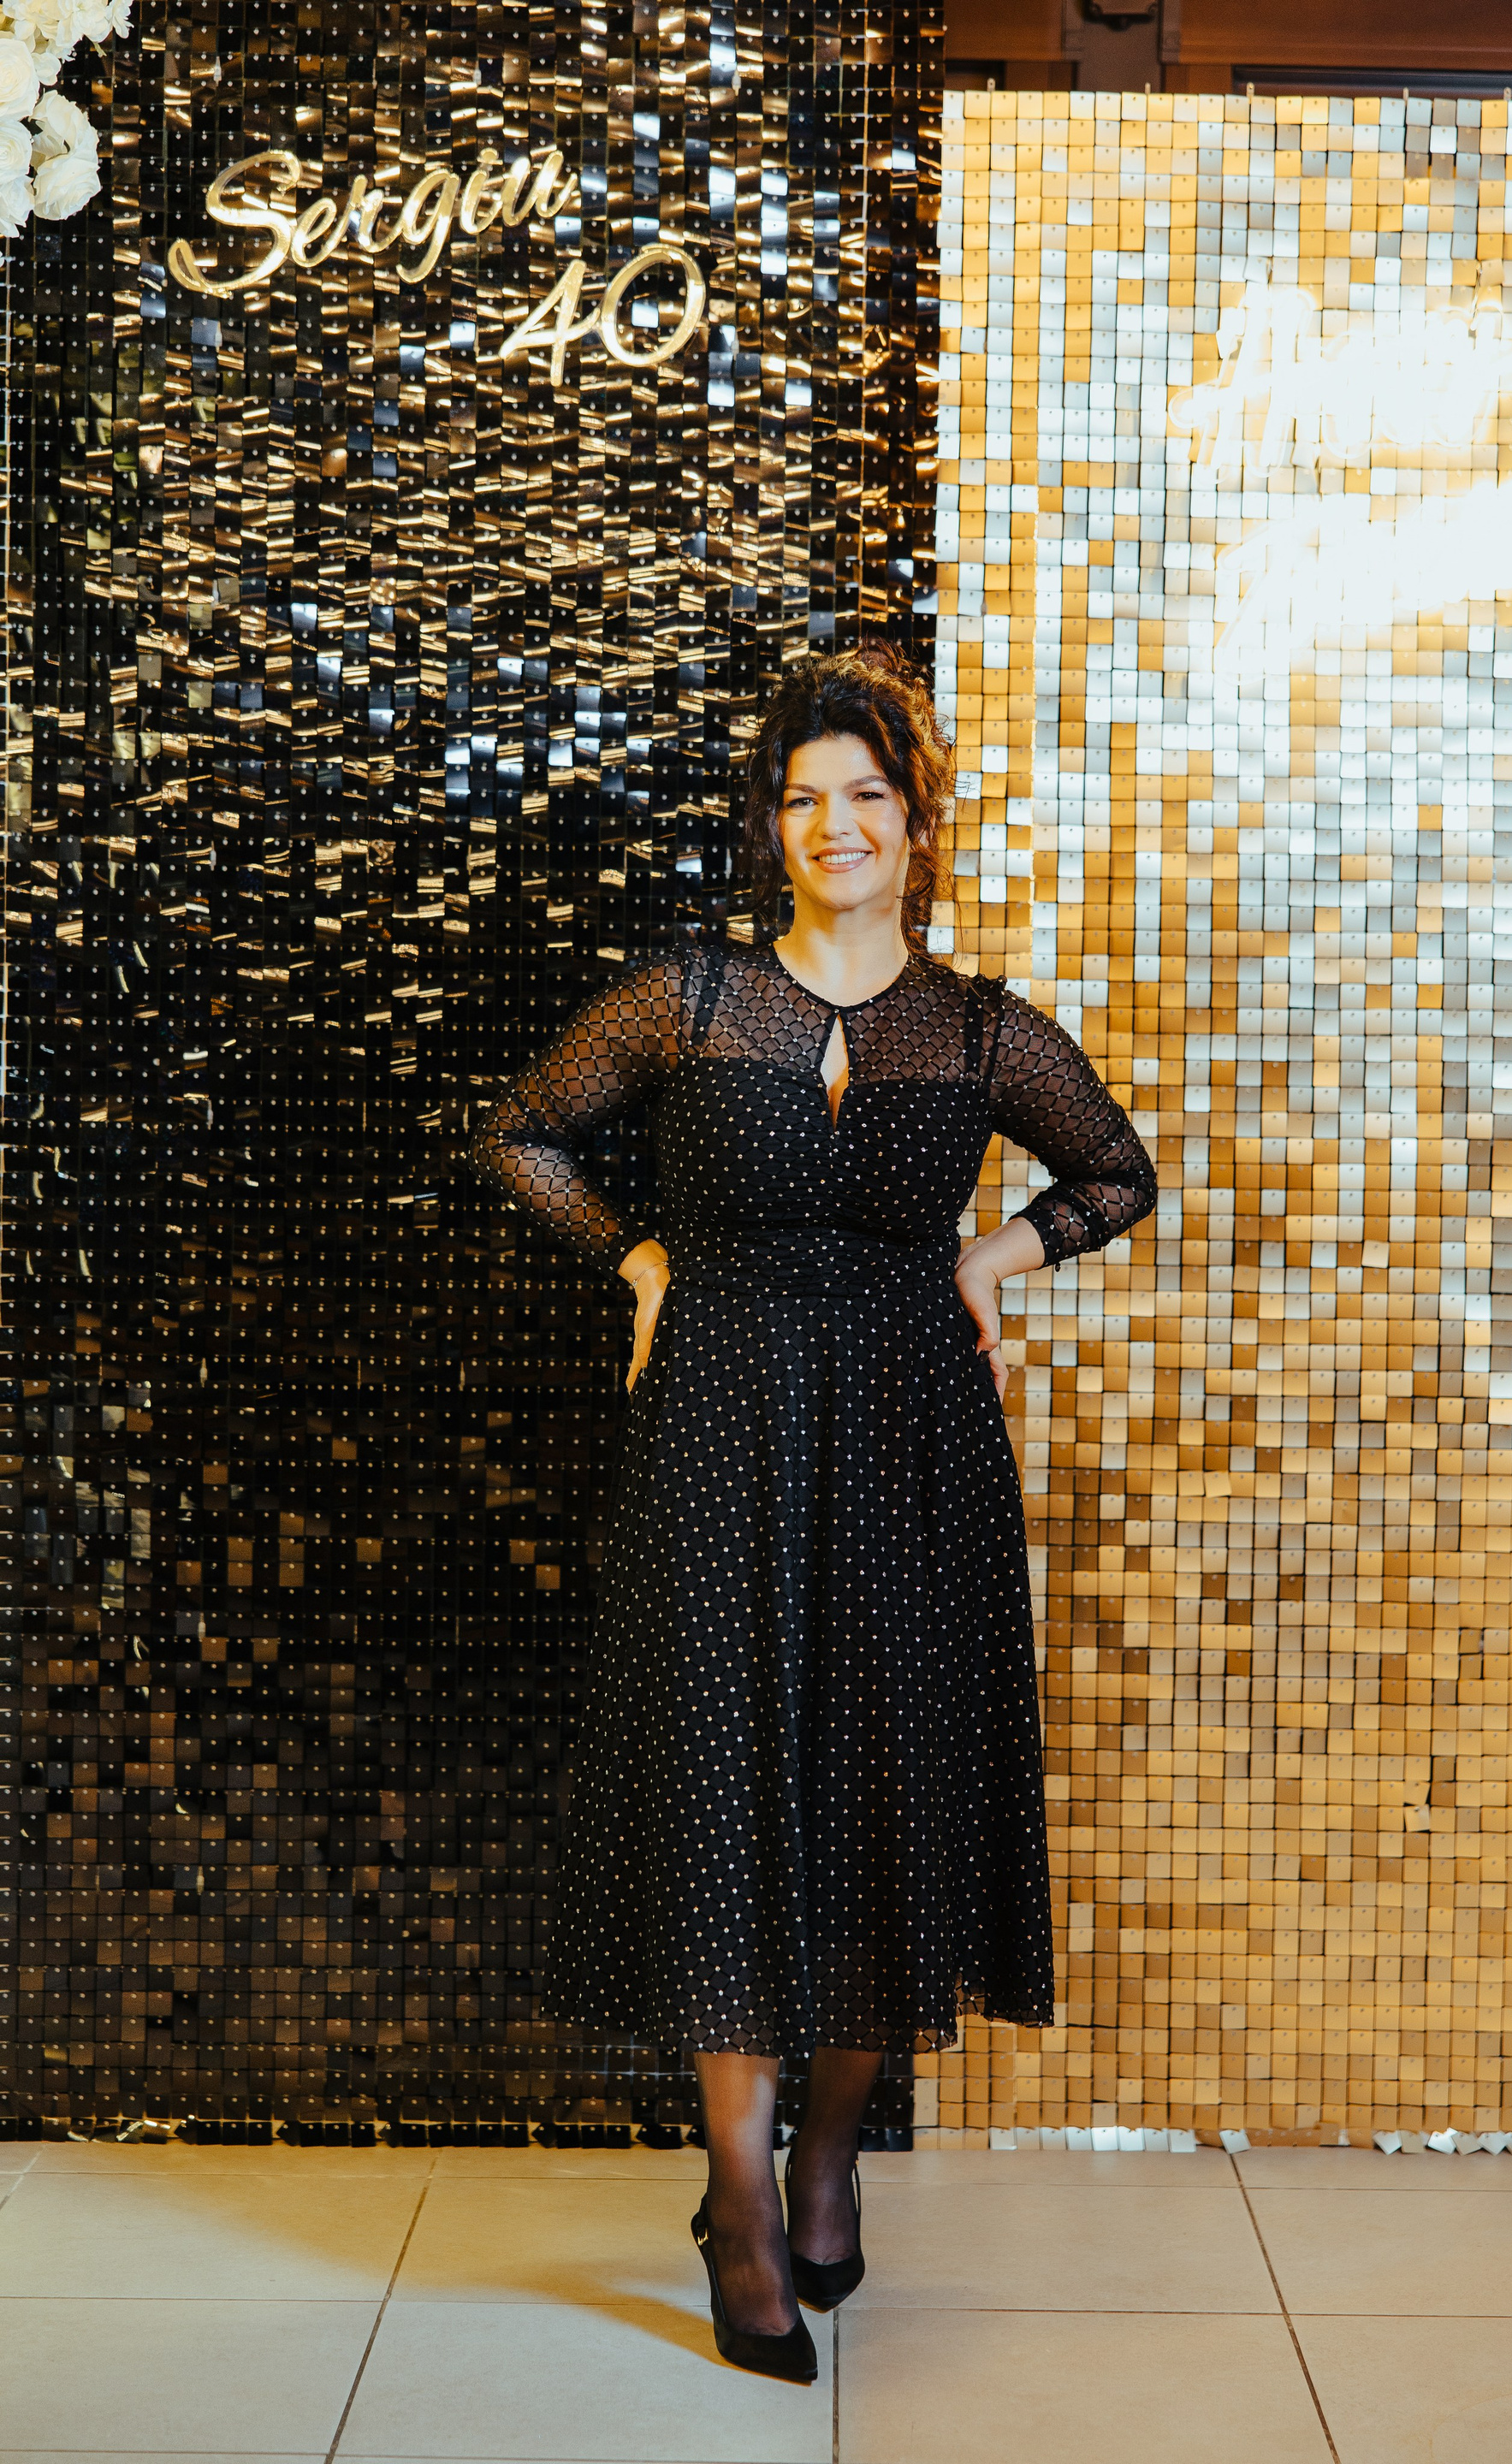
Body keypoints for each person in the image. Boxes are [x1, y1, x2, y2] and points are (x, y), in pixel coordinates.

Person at [473, 643, 1156, 2382]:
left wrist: (994, 1257)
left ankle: (829, 2159)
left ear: (916, 823)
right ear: (773, 827)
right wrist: (641, 1262)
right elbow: (526, 1135)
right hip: (720, 1437)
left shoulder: (978, 1028)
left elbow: (1116, 1171)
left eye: (865, 794)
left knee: (883, 1804)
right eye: (802, 799)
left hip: (914, 1452)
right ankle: (741, 2207)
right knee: (722, 1797)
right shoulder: (692, 1000)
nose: (833, 825)